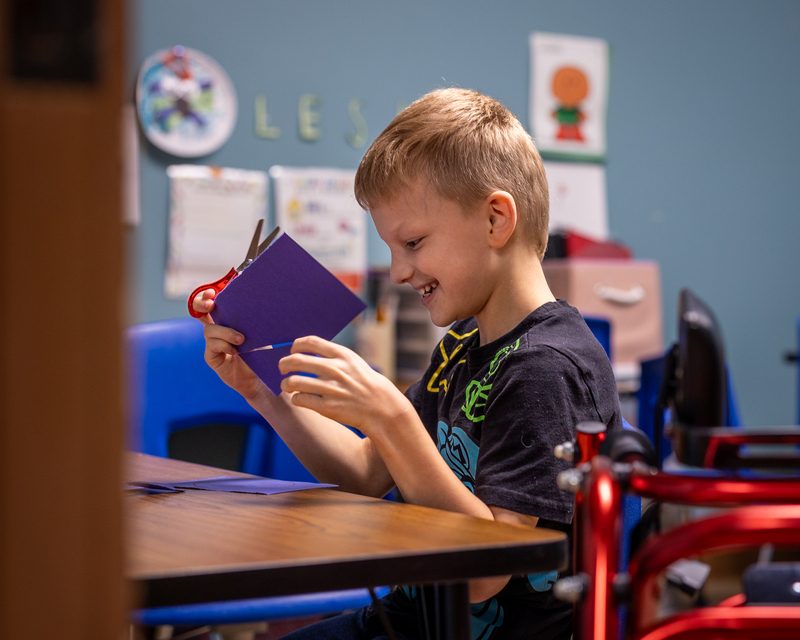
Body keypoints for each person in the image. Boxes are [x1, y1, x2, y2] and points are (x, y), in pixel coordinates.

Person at [192, 87, 622, 639]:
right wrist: (260, 390)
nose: (398, 272)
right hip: (407, 621)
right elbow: (366, 472)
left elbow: (484, 574)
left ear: (496, 220)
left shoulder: (546, 370)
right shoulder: (462, 346)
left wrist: (392, 417)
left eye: (413, 242)